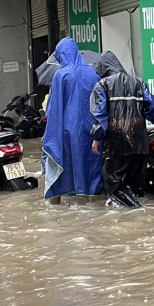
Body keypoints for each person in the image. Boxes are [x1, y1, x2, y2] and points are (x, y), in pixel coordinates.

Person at [90, 51, 154, 207]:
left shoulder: (103, 85)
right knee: (136, 188)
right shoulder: (138, 82)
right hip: (140, 143)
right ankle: (140, 221)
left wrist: (97, 138)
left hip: (117, 144)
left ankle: (135, 213)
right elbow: (152, 104)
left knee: (114, 183)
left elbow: (100, 115)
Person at [42, 37, 104, 204]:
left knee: (60, 164)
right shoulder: (93, 73)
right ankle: (94, 202)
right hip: (91, 128)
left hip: (67, 129)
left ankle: (55, 206)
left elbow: (54, 108)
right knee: (91, 166)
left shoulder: (61, 74)